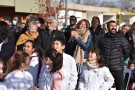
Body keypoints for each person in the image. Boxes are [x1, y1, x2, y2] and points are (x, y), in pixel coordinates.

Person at [98, 20, 130, 90]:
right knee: (104, 87)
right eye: (111, 26)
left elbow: (127, 52)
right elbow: (98, 51)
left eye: (115, 26)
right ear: (107, 27)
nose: (113, 27)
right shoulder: (102, 39)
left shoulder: (121, 38)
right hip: (105, 68)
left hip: (117, 69)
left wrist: (120, 60)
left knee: (120, 87)